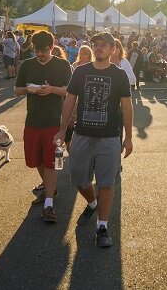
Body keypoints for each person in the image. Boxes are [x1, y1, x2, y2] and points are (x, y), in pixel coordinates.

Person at [55, 32, 133, 247]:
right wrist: (62, 131)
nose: (98, 48)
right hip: (82, 135)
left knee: (107, 183)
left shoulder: (119, 75)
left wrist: (128, 137)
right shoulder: (81, 72)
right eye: (95, 45)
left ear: (112, 50)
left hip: (109, 138)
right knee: (80, 180)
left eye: (103, 45)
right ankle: (92, 202)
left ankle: (102, 226)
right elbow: (70, 100)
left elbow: (126, 106)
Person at [15, 31, 72, 223]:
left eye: (43, 51)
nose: (39, 55)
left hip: (54, 122)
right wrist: (28, 89)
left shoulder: (62, 65)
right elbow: (17, 90)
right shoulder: (27, 65)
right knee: (36, 160)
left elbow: (71, 92)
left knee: (51, 162)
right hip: (32, 121)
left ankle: (49, 204)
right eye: (36, 51)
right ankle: (50, 189)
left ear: (53, 47)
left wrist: (52, 90)